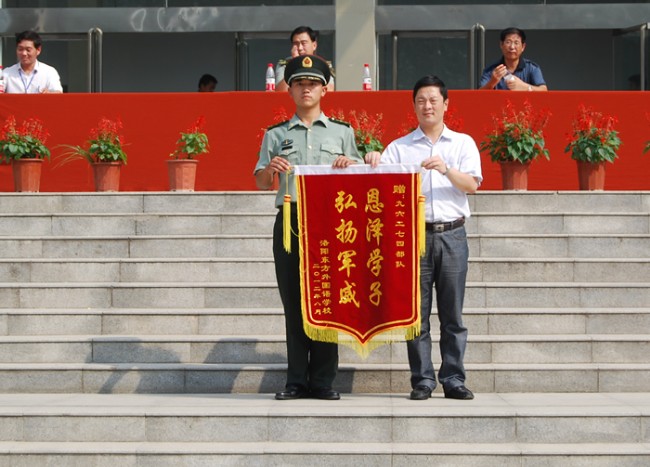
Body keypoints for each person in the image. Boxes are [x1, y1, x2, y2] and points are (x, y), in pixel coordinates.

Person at [365, 75, 482, 400]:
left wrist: (445, 169)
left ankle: (454, 378)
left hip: (452, 235)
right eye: (421, 101)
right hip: (412, 238)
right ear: (413, 106)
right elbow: (378, 183)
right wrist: (373, 158)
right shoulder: (399, 147)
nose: (427, 106)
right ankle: (423, 381)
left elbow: (472, 185)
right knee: (416, 314)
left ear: (446, 104)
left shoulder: (462, 143)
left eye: (433, 100)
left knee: (453, 314)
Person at [254, 55, 362, 401]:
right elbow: (259, 181)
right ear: (290, 89)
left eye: (312, 83)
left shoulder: (343, 133)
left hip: (331, 221)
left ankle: (323, 381)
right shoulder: (276, 134)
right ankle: (296, 380)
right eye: (299, 83)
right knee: (294, 302)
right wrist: (270, 169)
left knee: (328, 300)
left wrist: (351, 163)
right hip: (290, 220)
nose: (306, 89)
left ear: (324, 89)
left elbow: (361, 175)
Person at [479, 27, 547, 91]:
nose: (512, 47)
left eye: (516, 43)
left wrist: (525, 87)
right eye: (508, 42)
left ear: (523, 47)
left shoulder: (532, 68)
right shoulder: (491, 70)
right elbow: (478, 95)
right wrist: (492, 82)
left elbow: (544, 90)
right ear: (501, 45)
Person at [275, 26, 335, 92]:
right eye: (296, 44)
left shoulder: (323, 64)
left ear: (314, 45)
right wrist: (295, 63)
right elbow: (281, 90)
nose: (300, 48)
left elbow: (329, 90)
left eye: (304, 43)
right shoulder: (285, 64)